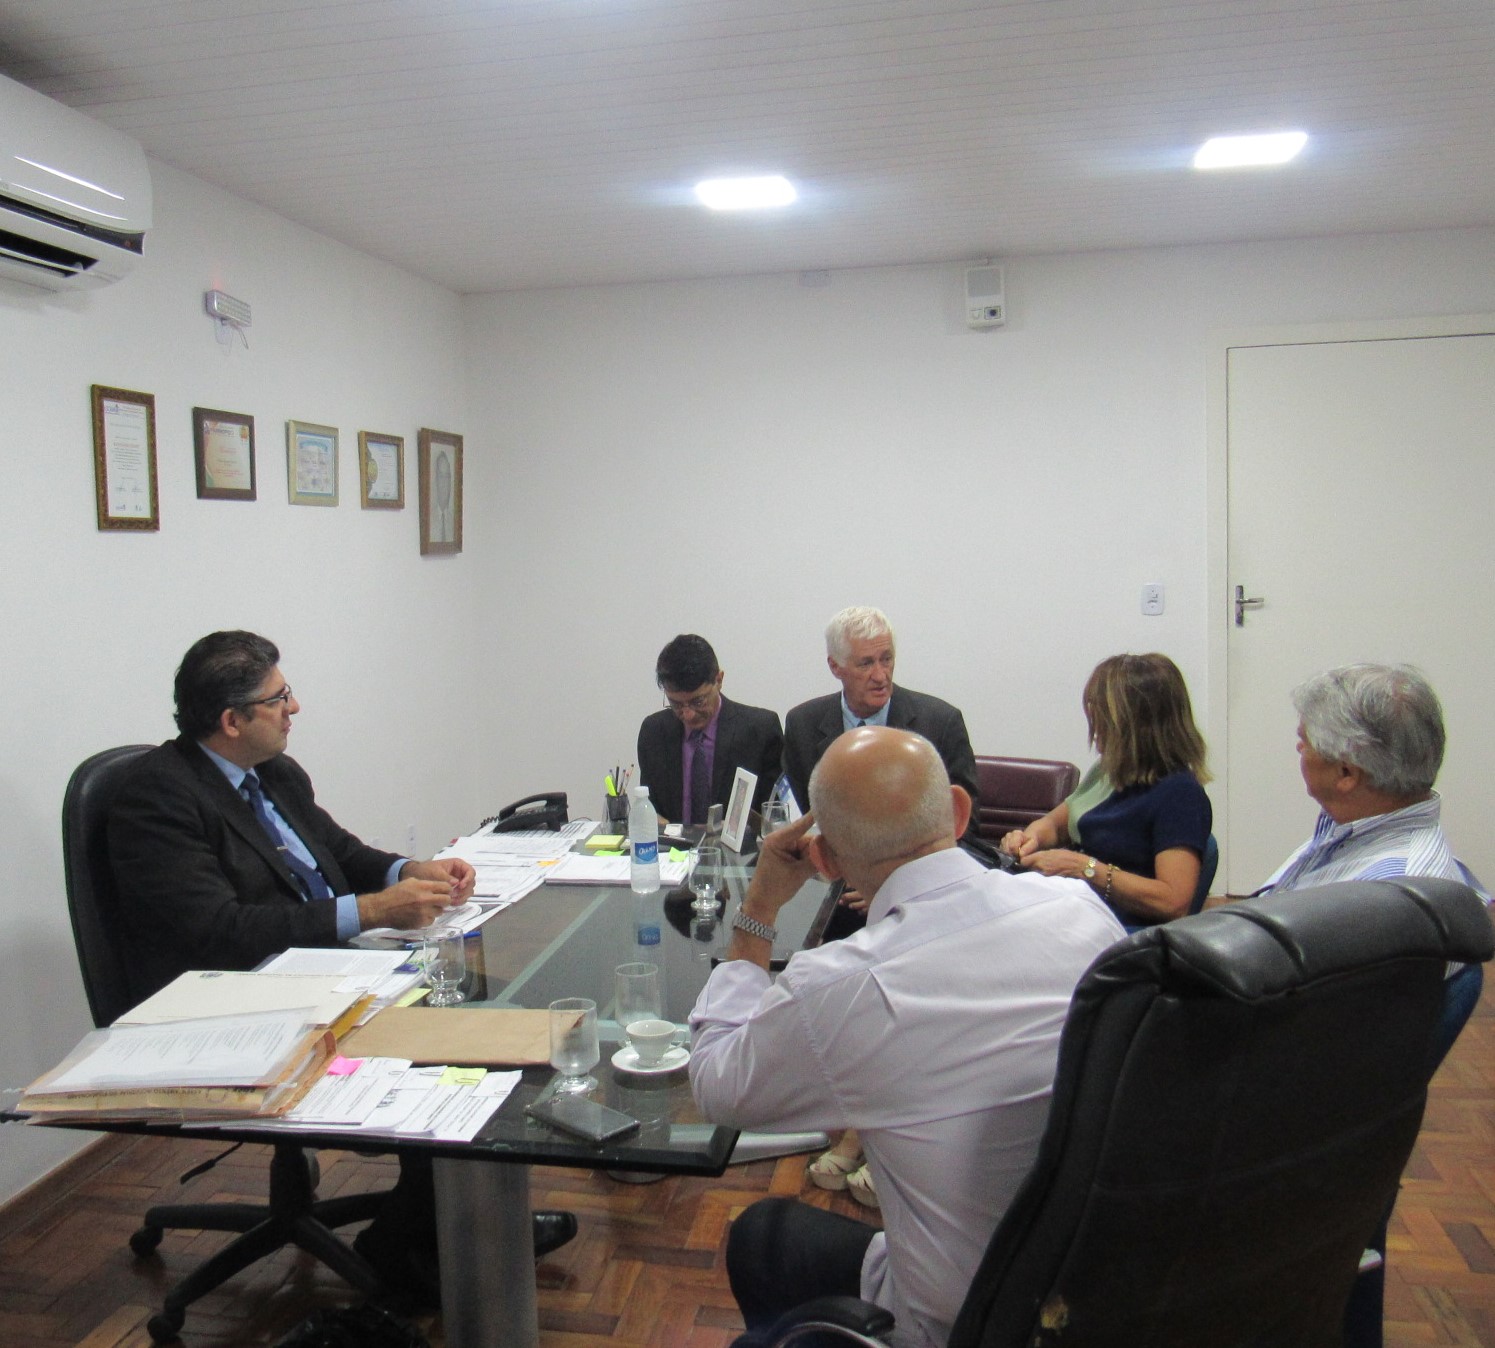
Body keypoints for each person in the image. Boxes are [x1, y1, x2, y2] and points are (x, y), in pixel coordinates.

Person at [107, 630, 576, 1304]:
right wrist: (372, 911)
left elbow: (338, 852)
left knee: (497, 1019)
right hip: (238, 996)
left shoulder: (275, 772)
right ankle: (410, 1250)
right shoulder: (156, 799)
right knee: (455, 1056)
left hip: (327, 971)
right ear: (232, 721)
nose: (294, 708)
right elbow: (218, 932)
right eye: (279, 698)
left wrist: (406, 870)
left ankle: (456, 1224)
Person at [689, 727, 1125, 1348]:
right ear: (958, 811)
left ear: (825, 861)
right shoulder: (1081, 911)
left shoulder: (839, 987)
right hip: (1098, 1292)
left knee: (761, 1238)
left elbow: (716, 1086)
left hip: (961, 1320)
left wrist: (758, 907)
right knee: (767, 1239)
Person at [1250, 666, 1486, 1348]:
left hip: (1296, 1136)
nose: (1297, 750)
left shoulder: (1384, 902)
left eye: (1304, 743)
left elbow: (1308, 1066)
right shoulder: (1359, 829)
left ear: (1348, 773)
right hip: (1334, 1123)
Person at [1001, 653, 1211, 926]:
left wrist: (1085, 869)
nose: (1093, 726)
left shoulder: (1180, 795)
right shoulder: (1107, 772)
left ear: (1134, 725)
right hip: (1077, 909)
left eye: (1101, 716)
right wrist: (1030, 839)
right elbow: (1055, 824)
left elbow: (1173, 901)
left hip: (1116, 928)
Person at [782, 606, 978, 816]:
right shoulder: (803, 725)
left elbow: (964, 822)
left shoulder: (940, 724)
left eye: (886, 659)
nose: (880, 676)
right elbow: (791, 818)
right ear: (835, 666)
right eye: (866, 664)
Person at [636, 634, 783, 827]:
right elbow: (651, 807)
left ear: (719, 680)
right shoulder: (654, 732)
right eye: (676, 704)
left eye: (698, 701)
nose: (688, 714)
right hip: (672, 846)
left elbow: (774, 818)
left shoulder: (760, 731)